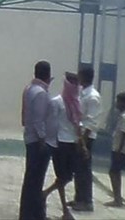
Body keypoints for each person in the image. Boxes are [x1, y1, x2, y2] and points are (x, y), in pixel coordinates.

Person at [43, 72, 82, 220]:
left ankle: (45, 194)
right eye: (72, 83)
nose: (75, 86)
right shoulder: (57, 102)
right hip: (60, 144)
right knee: (62, 176)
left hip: (72, 143)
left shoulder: (77, 103)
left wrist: (82, 144)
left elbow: (78, 125)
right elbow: (51, 124)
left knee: (66, 177)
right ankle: (65, 210)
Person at [20, 60, 52, 220]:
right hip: (37, 141)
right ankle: (33, 215)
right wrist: (43, 140)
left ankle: (27, 213)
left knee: (30, 179)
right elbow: (39, 120)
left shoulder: (29, 89)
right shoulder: (41, 93)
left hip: (29, 137)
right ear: (48, 75)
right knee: (36, 180)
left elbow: (24, 117)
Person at [71, 65, 102, 212]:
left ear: (84, 76)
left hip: (86, 138)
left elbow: (91, 122)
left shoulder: (93, 96)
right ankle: (79, 198)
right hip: (80, 136)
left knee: (84, 169)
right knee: (78, 169)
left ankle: (87, 201)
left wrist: (83, 142)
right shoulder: (83, 93)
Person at [105, 92, 125, 208]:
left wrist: (118, 150)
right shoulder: (124, 116)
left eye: (118, 101)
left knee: (113, 172)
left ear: (124, 103)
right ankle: (117, 198)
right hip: (119, 149)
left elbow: (123, 134)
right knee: (115, 173)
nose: (117, 103)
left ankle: (117, 199)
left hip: (120, 150)